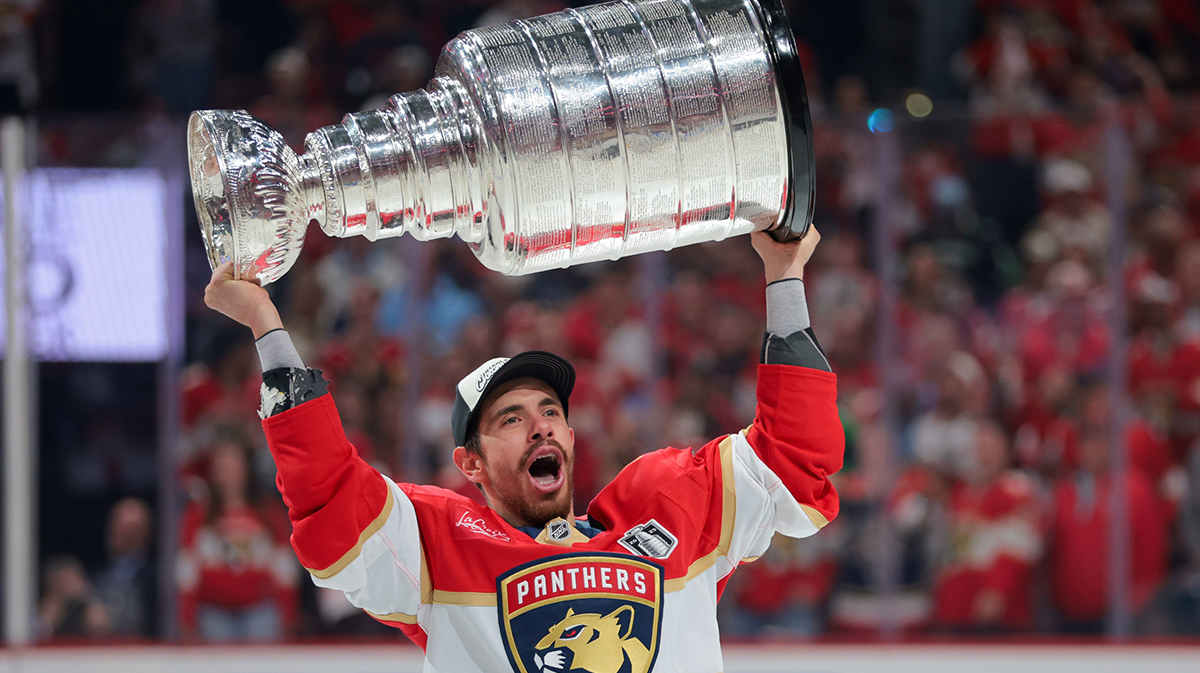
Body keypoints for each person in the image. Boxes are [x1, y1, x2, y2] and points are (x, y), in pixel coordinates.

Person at [203, 228, 842, 671]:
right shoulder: (439, 548)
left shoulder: (666, 510)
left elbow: (794, 459)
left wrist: (784, 275)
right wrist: (267, 326)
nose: (539, 427)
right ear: (469, 463)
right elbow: (332, 498)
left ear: (569, 436)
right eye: (510, 419)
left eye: (550, 413)